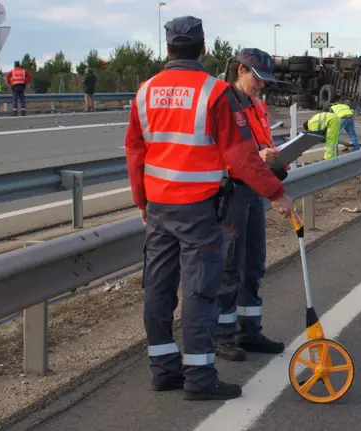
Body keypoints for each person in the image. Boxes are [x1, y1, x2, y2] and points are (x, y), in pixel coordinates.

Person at [124, 15, 295, 401]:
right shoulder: (213, 92)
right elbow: (238, 154)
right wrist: (275, 193)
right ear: (203, 48)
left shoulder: (146, 91)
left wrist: (142, 201)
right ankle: (200, 377)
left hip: (160, 209)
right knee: (201, 291)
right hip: (199, 210)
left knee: (159, 288)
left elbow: (135, 152)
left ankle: (164, 369)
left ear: (167, 49)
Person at [213, 47, 288, 361]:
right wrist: (257, 158)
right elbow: (222, 151)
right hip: (231, 191)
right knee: (229, 266)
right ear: (240, 70)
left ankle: (249, 332)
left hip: (254, 188)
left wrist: (273, 159)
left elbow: (258, 146)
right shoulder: (223, 102)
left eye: (264, 80)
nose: (261, 85)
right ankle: (222, 336)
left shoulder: (257, 105)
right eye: (257, 78)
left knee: (253, 264)